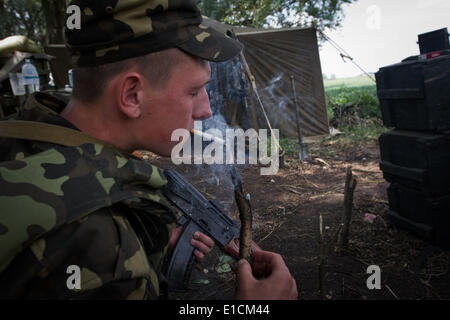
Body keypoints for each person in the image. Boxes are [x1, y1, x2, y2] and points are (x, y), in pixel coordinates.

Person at [0, 0, 297, 300]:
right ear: (131, 95)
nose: (206, 110)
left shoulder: (24, 134)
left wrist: (144, 242)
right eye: (193, 92)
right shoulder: (97, 239)